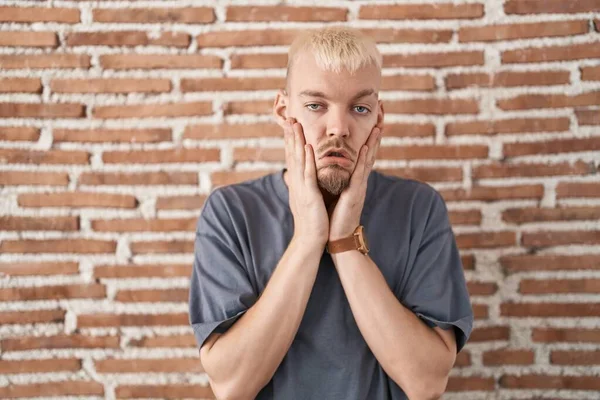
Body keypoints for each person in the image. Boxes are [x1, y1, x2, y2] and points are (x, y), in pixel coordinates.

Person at [188, 26, 473, 400]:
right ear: (283, 110)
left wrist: (344, 241)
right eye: (315, 105)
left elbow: (427, 383)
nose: (338, 128)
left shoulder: (418, 208)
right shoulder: (231, 212)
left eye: (359, 108)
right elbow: (231, 385)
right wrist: (308, 237)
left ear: (378, 118)